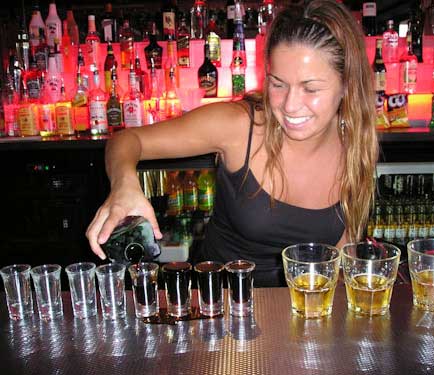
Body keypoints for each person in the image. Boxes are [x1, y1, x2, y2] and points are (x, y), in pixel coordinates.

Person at [86, 0, 378, 287]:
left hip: (302, 313)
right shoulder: (240, 126)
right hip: (219, 305)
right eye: (277, 84)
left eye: (310, 88)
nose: (290, 105)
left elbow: (340, 261)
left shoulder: (355, 146)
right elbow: (127, 139)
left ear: (347, 85)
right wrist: (123, 184)